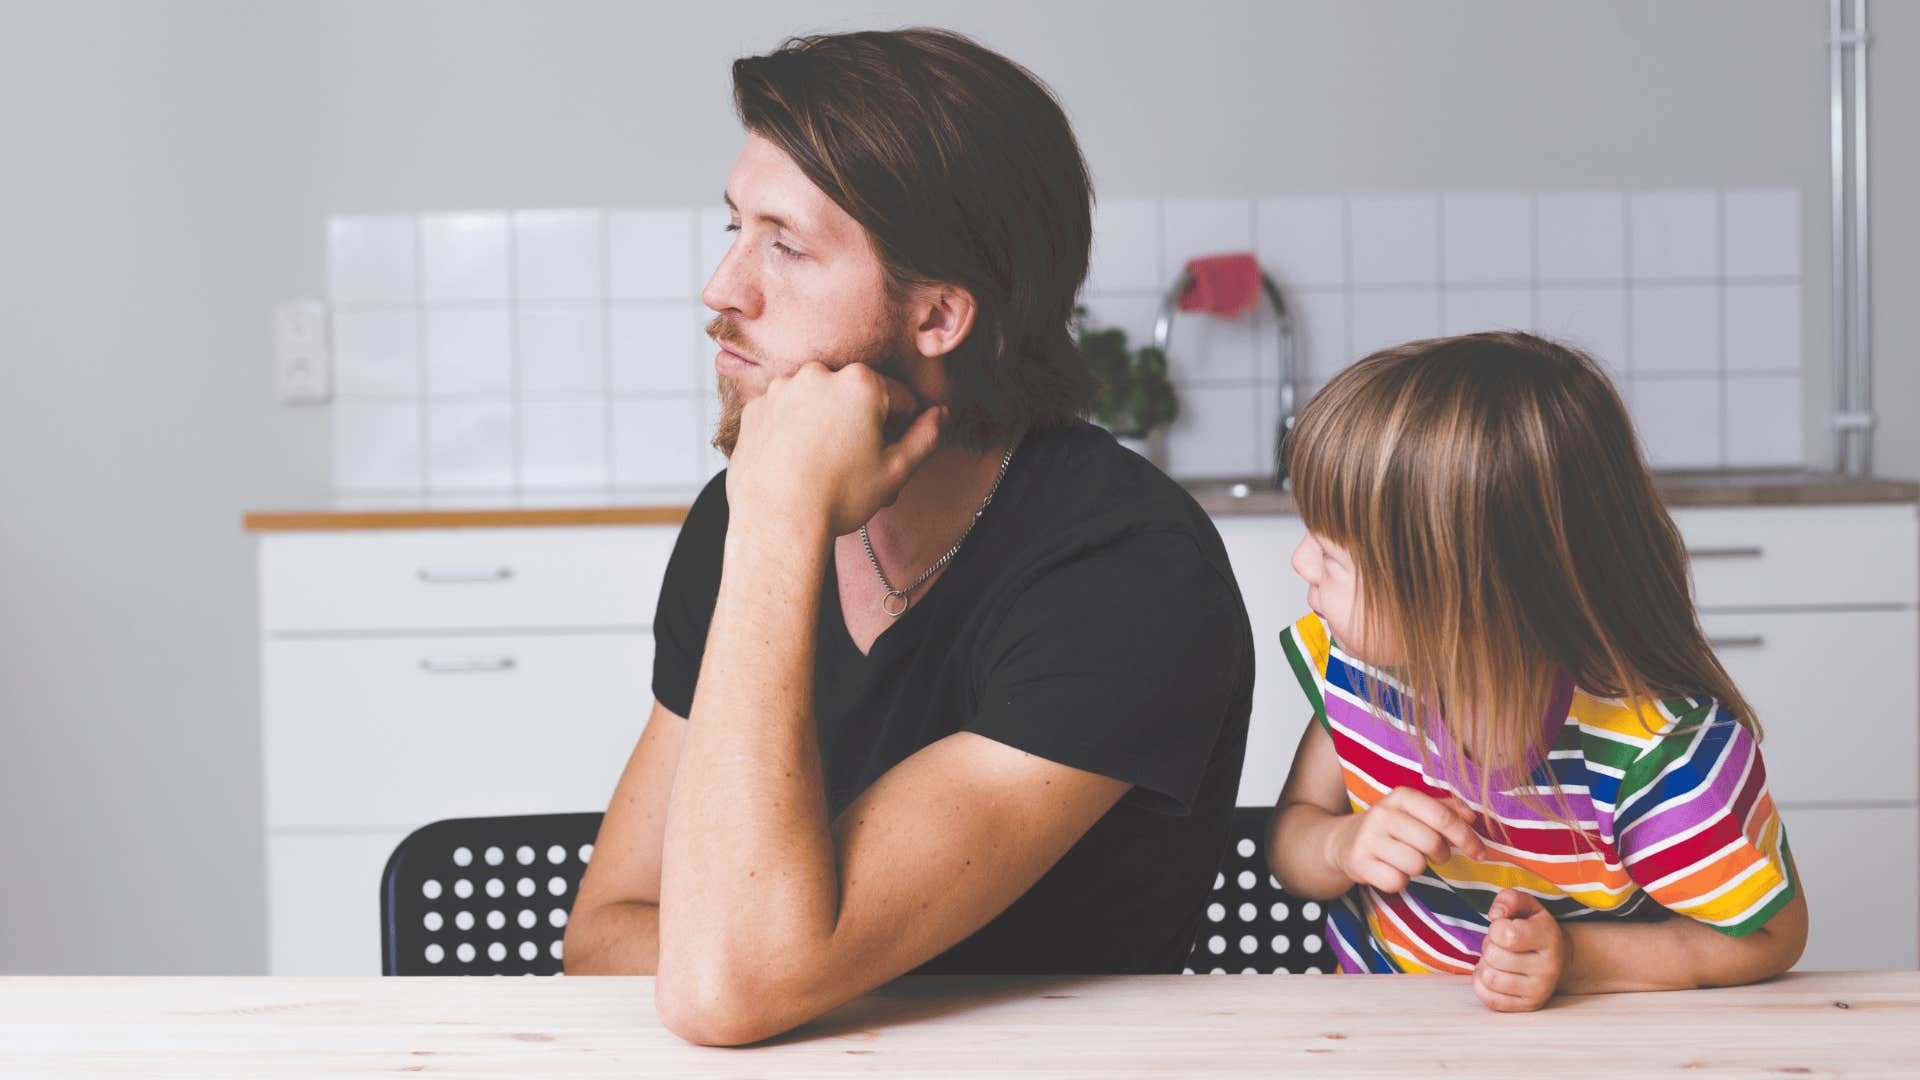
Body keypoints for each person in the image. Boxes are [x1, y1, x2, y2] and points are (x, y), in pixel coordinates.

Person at [563, 28, 1253, 1045]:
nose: (724, 290)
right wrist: (772, 524)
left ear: (938, 317)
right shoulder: (747, 515)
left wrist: (780, 525)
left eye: (785, 246)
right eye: (733, 229)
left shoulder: (1126, 571)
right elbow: (606, 933)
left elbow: (725, 988)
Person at [1265, 331, 1808, 1011]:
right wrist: (1343, 845)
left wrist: (1576, 959)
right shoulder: (1358, 672)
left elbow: (1770, 936)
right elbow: (1293, 834)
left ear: (1467, 598)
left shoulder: (1656, 755)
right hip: (1382, 1022)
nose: (1300, 563)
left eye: (1333, 555)